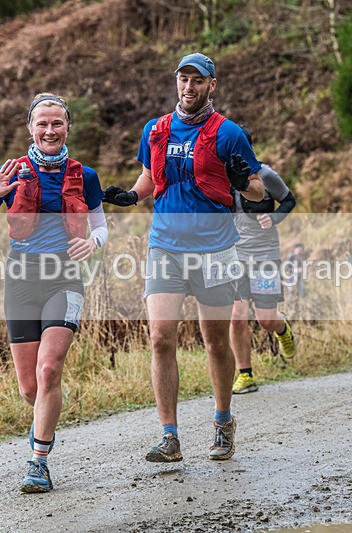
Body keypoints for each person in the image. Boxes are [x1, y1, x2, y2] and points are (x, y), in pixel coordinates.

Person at [102, 52, 265, 463]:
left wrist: (243, 180)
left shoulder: (229, 134)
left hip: (215, 249)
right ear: (176, 82)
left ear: (212, 85)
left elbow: (259, 191)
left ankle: (223, 422)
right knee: (160, 338)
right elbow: (149, 177)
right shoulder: (155, 129)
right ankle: (169, 436)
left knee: (214, 342)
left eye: (197, 80)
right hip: (165, 247)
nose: (189, 87)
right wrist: (131, 195)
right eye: (183, 79)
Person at [0, 93, 108, 493]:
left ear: (67, 128)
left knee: (49, 370)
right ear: (30, 128)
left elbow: (100, 227)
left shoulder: (86, 176)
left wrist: (92, 244)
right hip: (21, 280)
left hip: (65, 278)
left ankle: (38, 462)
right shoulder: (10, 174)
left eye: (57, 123)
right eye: (42, 124)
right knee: (31, 388)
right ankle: (45, 419)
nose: (49, 130)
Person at [229, 126, 297, 395]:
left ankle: (283, 330)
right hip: (234, 255)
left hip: (264, 254)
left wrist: (275, 217)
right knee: (237, 315)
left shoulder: (266, 174)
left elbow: (289, 201)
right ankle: (245, 374)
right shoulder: (224, 176)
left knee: (266, 319)